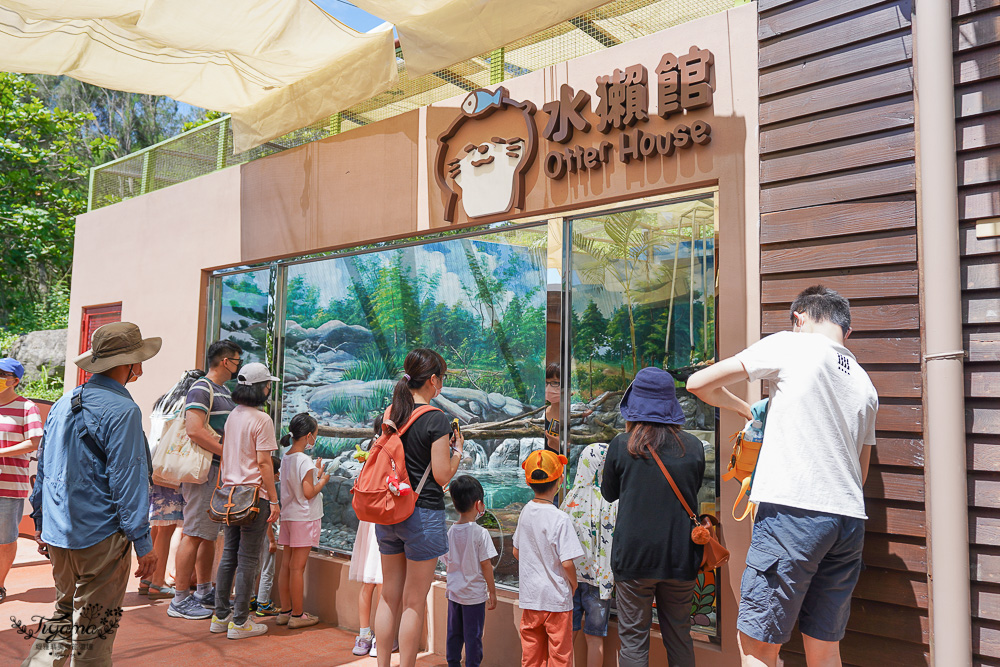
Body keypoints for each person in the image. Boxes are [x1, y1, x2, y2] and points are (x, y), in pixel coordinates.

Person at [686, 285, 878, 667]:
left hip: (793, 513)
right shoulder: (865, 383)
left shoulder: (792, 344)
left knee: (757, 646)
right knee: (825, 648)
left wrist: (747, 410)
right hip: (848, 520)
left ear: (799, 319)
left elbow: (698, 384)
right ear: (846, 333)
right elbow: (862, 470)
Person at [24, 322, 160, 666]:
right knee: (94, 633)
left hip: (59, 533)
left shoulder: (62, 402)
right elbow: (128, 481)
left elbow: (43, 468)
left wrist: (40, 522)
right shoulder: (124, 411)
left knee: (62, 614)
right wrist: (143, 544)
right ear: (128, 365)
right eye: (138, 360)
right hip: (101, 537)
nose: (141, 368)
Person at [600, 366, 705, 667]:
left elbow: (609, 494)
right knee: (680, 637)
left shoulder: (622, 446)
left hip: (634, 558)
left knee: (633, 640)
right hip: (680, 556)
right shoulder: (694, 447)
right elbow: (691, 492)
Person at [374, 348, 464, 667]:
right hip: (422, 514)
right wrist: (458, 453)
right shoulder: (435, 418)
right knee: (413, 602)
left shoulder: (392, 412)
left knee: (389, 595)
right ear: (435, 380)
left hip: (386, 511)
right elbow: (441, 476)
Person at [168, 340, 242, 621]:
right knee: (194, 531)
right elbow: (194, 429)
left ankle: (203, 589)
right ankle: (180, 599)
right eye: (237, 360)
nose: (238, 365)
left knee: (207, 535)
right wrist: (229, 454)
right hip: (204, 471)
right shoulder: (202, 388)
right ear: (226, 362)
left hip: (215, 471)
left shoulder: (223, 390)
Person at [208, 361, 281, 640]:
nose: (268, 388)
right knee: (249, 558)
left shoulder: (234, 416)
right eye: (267, 384)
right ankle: (240, 622)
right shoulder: (262, 419)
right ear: (261, 388)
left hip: (230, 495)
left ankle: (220, 615)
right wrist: (273, 500)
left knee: (229, 555)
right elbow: (264, 463)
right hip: (253, 496)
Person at [513, 449, 584, 667]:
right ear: (561, 481)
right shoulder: (560, 518)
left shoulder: (525, 511)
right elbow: (567, 562)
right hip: (557, 601)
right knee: (560, 656)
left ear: (528, 482)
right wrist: (573, 584)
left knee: (531, 653)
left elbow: (516, 551)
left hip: (531, 598)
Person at [143, 370, 205, 600]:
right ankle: (157, 582)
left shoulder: (163, 402)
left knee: (157, 526)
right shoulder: (186, 403)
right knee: (168, 529)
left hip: (153, 467)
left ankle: (146, 578)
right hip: (172, 470)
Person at [560, 442, 616, 667]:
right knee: (595, 639)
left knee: (566, 636)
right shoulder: (612, 501)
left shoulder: (569, 499)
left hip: (570, 578)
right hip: (599, 582)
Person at [276, 412, 328, 629]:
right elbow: (308, 492)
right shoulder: (304, 460)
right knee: (298, 568)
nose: (314, 439)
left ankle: (285, 611)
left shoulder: (286, 457)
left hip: (288, 516)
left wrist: (314, 472)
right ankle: (298, 615)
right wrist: (323, 479)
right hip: (303, 517)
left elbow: (297, 485)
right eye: (315, 435)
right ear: (308, 436)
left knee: (286, 566)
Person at [0, 358, 43, 604]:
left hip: (9, 484)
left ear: (15, 380)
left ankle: (0, 584)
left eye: (2, 374)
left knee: (5, 539)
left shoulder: (27, 408)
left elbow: (34, 442)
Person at [443, 475, 498, 667]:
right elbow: (486, 565)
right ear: (478, 504)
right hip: (474, 596)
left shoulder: (450, 532)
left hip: (454, 593)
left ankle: (453, 663)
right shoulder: (480, 533)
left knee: (454, 633)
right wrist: (492, 590)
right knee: (473, 636)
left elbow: (447, 561)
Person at [350, 417, 384, 657]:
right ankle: (381, 638)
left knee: (368, 583)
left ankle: (364, 635)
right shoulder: (387, 451)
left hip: (367, 520)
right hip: (383, 519)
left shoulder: (369, 450)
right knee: (383, 582)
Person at [251, 453, 280, 618]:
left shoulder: (255, 488)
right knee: (267, 568)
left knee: (253, 566)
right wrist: (271, 540)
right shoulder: (268, 492)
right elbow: (268, 521)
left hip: (254, 535)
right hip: (265, 537)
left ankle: (250, 600)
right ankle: (263, 602)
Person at [543, 363, 561, 454]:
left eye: (555, 382)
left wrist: (560, 446)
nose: (549, 388)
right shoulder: (541, 415)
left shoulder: (574, 417)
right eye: (546, 383)